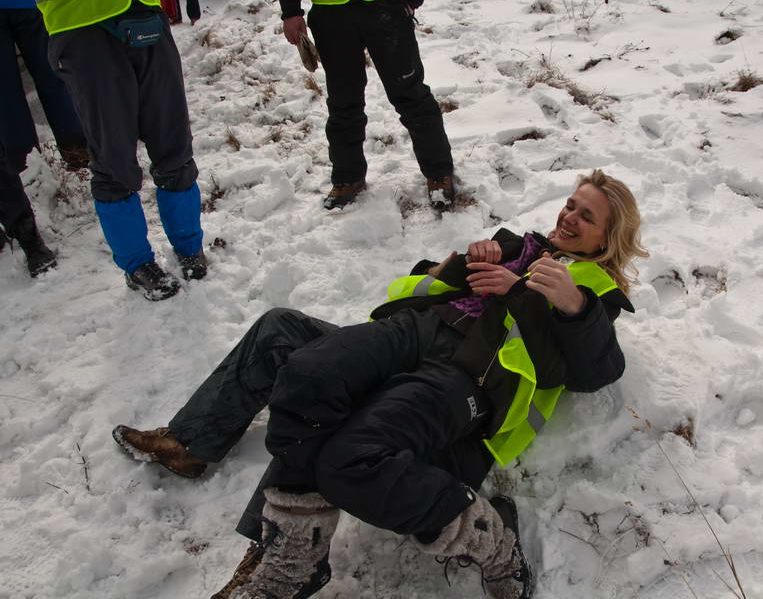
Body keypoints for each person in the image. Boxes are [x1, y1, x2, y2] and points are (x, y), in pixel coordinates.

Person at [113, 170, 648, 599]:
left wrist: (569, 304)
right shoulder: (516, 244)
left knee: (346, 448)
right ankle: (196, 448)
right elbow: (419, 286)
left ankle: (284, 552)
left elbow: (595, 370)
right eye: (571, 205)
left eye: (587, 216)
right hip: (413, 333)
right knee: (297, 353)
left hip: (465, 375)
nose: (570, 217)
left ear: (607, 238)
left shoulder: (591, 287)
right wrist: (461, 263)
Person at [35, 0, 207, 300]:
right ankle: (137, 264)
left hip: (145, 14)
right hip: (82, 25)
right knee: (113, 157)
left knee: (174, 143)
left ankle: (189, 245)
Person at [279, 0, 456, 210]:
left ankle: (439, 173)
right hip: (331, 13)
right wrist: (290, 11)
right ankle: (348, 177)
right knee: (343, 101)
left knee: (411, 94)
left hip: (385, 7)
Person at [1, 0, 88, 277]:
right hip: (31, 5)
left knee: (51, 76)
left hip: (32, 5)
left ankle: (72, 154)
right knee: (16, 93)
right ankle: (33, 166)